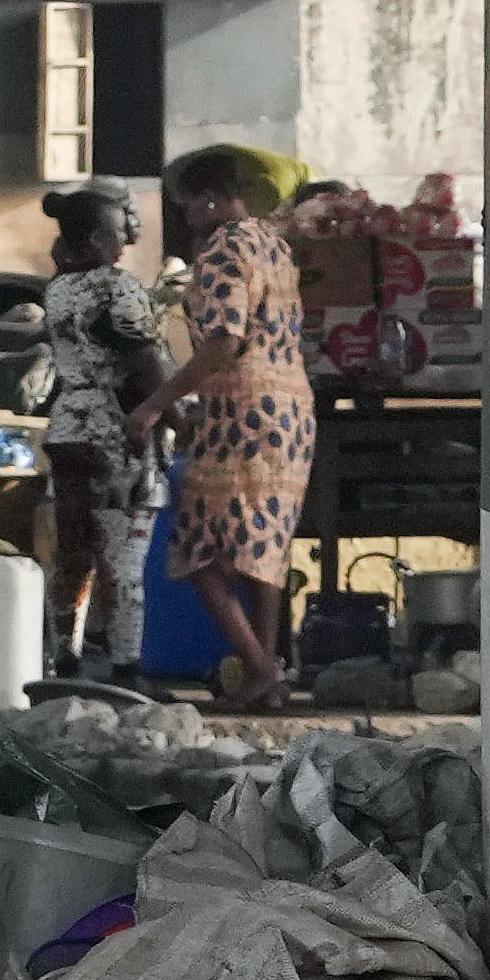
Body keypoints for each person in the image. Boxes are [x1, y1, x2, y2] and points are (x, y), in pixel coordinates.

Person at [152, 146, 317, 702]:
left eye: (189, 206)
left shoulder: (224, 248)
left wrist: (158, 402)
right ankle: (263, 674)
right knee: (265, 543)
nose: (187, 219)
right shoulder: (274, 244)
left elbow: (224, 340)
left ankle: (260, 667)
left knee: (200, 548)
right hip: (291, 410)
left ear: (211, 199)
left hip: (243, 412)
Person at [23, 184, 168, 685]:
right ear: (89, 240)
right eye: (113, 235)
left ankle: (66, 661)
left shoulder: (58, 290)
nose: (122, 244)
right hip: (114, 434)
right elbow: (145, 365)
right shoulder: (117, 288)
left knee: (73, 553)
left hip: (67, 431)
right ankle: (128, 668)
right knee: (125, 558)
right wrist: (171, 416)